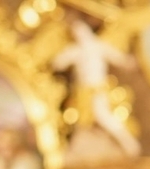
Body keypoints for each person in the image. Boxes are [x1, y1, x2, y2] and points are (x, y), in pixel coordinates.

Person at [51, 19, 142, 157]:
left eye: (80, 31)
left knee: (102, 115)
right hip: (83, 91)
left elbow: (117, 57)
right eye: (76, 32)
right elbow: (60, 61)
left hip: (96, 89)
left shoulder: (96, 46)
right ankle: (74, 148)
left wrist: (127, 62)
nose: (79, 34)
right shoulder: (79, 49)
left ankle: (128, 143)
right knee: (81, 118)